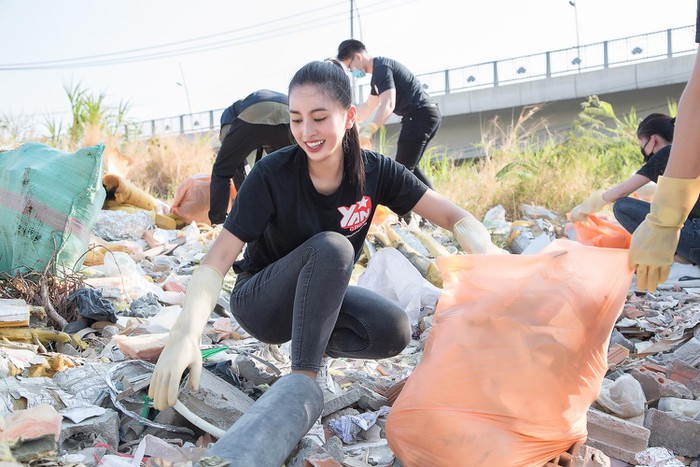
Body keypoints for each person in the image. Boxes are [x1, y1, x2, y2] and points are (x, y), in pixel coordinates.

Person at [149, 59, 502, 465]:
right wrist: (186, 335)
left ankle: (311, 349)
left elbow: (452, 215)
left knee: (393, 330)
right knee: (335, 247)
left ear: (349, 116)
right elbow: (219, 258)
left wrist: (489, 256)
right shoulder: (271, 174)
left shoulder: (375, 171)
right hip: (262, 301)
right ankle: (303, 381)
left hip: (316, 299)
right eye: (296, 120)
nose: (306, 132)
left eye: (319, 118)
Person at [570, 113, 700, 289]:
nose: (644, 151)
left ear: (652, 140)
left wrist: (588, 207)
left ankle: (685, 265)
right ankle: (684, 261)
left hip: (696, 242)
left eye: (642, 145)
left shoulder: (667, 154)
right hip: (695, 237)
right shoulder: (691, 150)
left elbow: (621, 191)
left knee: (622, 206)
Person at [629, 0, 700, 292]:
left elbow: (697, 100)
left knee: (626, 209)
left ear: (653, 139)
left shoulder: (669, 155)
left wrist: (664, 220)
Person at [337, 39, 441, 190]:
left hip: (419, 116)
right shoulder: (379, 73)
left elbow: (388, 104)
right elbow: (369, 106)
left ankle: (420, 213)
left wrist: (369, 130)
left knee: (402, 170)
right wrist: (349, 121)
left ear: (358, 57)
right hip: (426, 115)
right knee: (409, 168)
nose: (352, 72)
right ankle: (434, 211)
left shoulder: (382, 69)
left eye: (350, 67)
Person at [209, 89, 292, 225]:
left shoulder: (229, 115)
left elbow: (234, 164)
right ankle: (289, 217)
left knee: (222, 171)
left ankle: (218, 223)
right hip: (288, 111)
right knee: (291, 169)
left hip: (256, 112)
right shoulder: (245, 106)